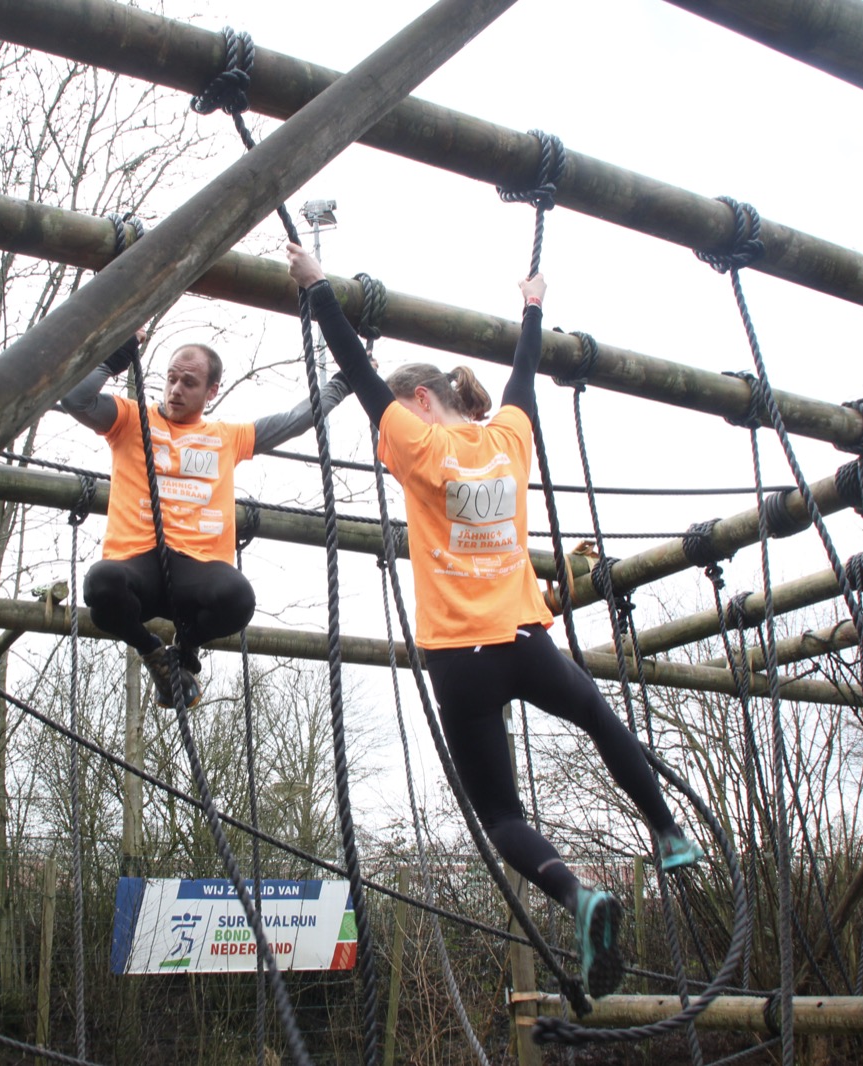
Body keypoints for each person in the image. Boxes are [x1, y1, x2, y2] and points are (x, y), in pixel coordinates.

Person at [286, 242, 703, 999]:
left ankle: (577, 897)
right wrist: (533, 304)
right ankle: (668, 832)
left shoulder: (416, 444)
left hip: (459, 659)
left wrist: (317, 289)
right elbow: (523, 375)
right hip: (526, 641)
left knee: (502, 814)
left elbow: (356, 370)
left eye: (393, 416)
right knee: (599, 717)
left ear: (419, 402)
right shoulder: (510, 438)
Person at [59, 329, 354, 709]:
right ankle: (154, 655)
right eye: (171, 379)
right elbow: (75, 399)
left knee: (238, 598)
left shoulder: (226, 437)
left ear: (211, 391)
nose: (175, 390)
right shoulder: (130, 419)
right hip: (138, 565)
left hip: (196, 570)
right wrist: (117, 355)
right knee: (101, 585)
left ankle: (186, 646)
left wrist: (343, 383)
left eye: (189, 382)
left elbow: (295, 420)